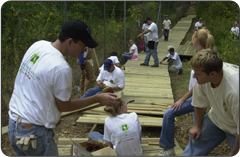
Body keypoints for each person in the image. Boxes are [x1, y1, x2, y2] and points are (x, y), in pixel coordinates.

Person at [7, 20, 120, 156]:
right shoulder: (61, 68)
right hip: (34, 134)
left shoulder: (38, 45)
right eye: (84, 46)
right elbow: (64, 106)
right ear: (70, 41)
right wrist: (97, 98)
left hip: (14, 125)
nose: (85, 51)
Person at [158, 28, 215, 156]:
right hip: (196, 99)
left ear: (195, 41)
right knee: (193, 128)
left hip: (199, 100)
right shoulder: (202, 56)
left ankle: (172, 150)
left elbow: (198, 87)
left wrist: (182, 99)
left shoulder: (204, 59)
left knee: (193, 129)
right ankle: (169, 148)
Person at [182, 49, 239, 156]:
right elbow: (199, 102)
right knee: (194, 146)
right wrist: (197, 126)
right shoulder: (202, 77)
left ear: (212, 74)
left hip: (236, 129)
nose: (194, 76)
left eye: (197, 74)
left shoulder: (235, 91)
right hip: (217, 118)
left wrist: (233, 154)